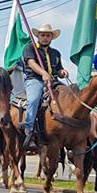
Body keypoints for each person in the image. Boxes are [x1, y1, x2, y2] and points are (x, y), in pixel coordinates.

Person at [22, 23, 68, 151]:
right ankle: (29, 130)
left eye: (48, 35)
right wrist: (43, 73)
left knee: (68, 97)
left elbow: (58, 69)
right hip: (34, 80)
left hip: (53, 81)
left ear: (52, 37)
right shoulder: (30, 48)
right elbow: (31, 63)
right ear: (38, 36)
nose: (45, 38)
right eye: (43, 35)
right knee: (34, 100)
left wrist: (62, 72)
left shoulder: (56, 53)